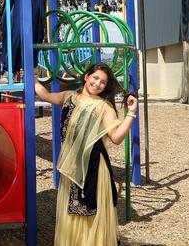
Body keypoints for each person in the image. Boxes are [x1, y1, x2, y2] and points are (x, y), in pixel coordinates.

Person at [34, 63, 138, 245]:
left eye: (103, 82)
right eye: (95, 78)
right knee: (71, 212)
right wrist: (31, 76)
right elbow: (45, 95)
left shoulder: (103, 107)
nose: (97, 84)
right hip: (72, 166)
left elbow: (116, 137)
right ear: (86, 77)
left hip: (94, 169)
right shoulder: (69, 97)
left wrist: (131, 113)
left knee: (90, 213)